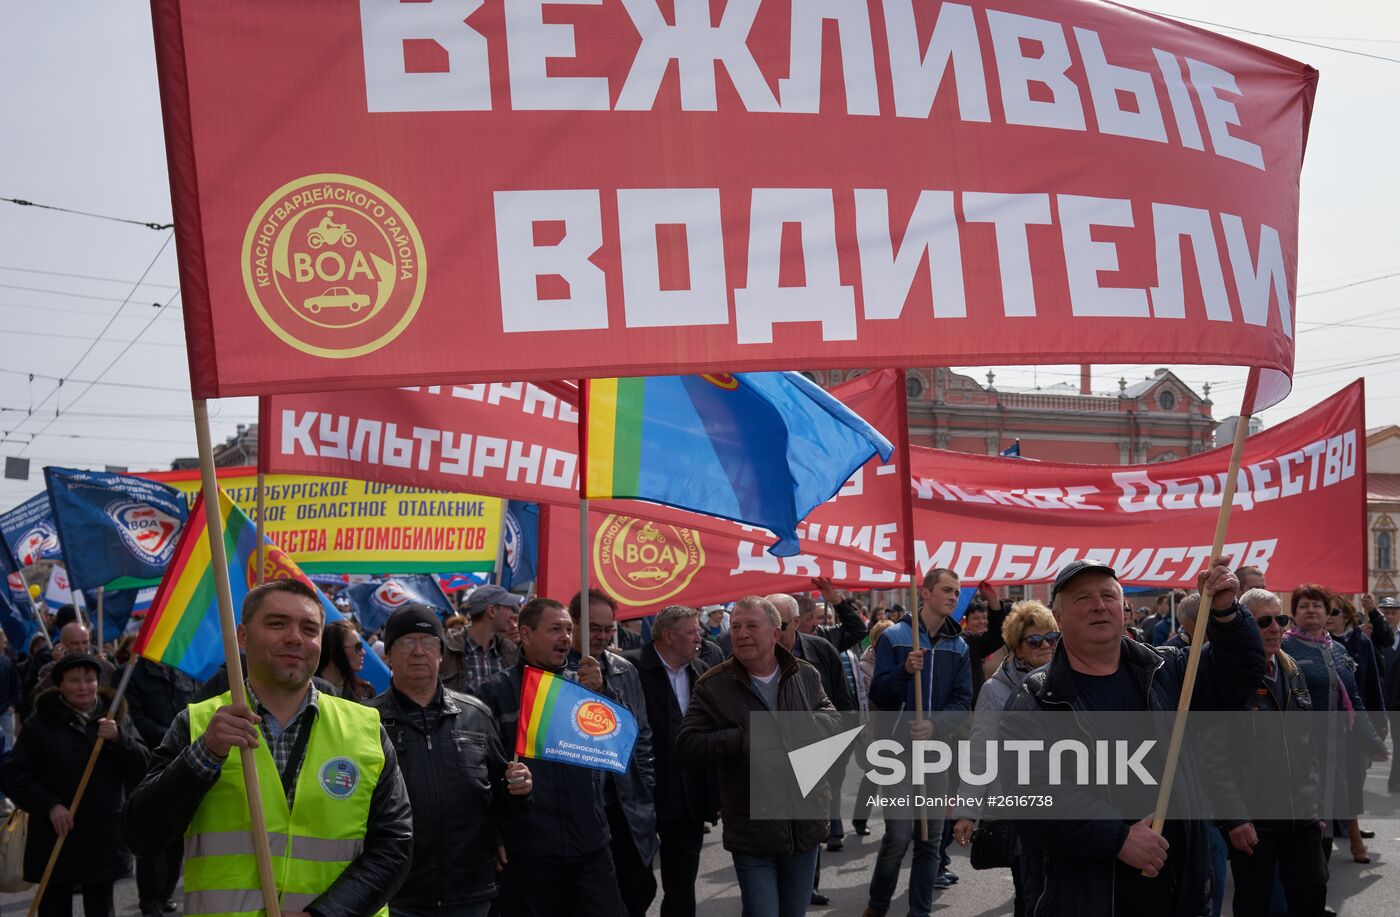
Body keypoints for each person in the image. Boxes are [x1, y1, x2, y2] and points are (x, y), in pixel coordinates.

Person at [124, 578, 414, 916]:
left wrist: (326, 913)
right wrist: (202, 757)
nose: (294, 637)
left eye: (309, 628)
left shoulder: (366, 728)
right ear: (243, 637)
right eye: (277, 624)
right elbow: (141, 836)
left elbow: (395, 845)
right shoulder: (198, 725)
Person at [1007, 557, 1265, 917]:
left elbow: (1240, 673)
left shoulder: (1169, 669)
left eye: (1109, 596)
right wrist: (1118, 838)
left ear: (1124, 610)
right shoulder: (1038, 696)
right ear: (1059, 618)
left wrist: (1226, 613)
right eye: (1082, 598)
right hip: (1090, 900)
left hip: (1180, 895)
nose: (1099, 605)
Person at [366, 605, 532, 917]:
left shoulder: (476, 714)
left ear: (441, 654)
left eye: (428, 642)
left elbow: (502, 798)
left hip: (470, 893)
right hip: (394, 895)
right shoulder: (365, 721)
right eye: (406, 642)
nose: (418, 652)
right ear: (388, 655)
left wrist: (518, 788)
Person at [677, 596, 838, 917]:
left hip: (803, 826)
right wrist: (743, 737)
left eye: (752, 625)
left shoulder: (804, 674)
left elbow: (832, 720)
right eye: (736, 626)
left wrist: (796, 728)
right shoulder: (713, 685)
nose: (742, 633)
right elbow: (688, 745)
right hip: (753, 829)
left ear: (776, 633)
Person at [476, 598, 627, 917]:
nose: (565, 638)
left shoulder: (584, 685)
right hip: (528, 851)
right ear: (526, 635)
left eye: (569, 630)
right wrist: (495, 835)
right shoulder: (494, 692)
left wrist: (603, 696)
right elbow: (481, 774)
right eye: (555, 629)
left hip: (588, 844)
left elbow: (617, 748)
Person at [1205, 588, 1327, 917]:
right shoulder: (1226, 678)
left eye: (1281, 619)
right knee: (1256, 902)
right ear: (1245, 627)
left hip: (1301, 814)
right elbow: (1213, 757)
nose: (1276, 628)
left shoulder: (1293, 671)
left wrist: (1316, 804)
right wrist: (1235, 818)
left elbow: (1308, 744)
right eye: (1264, 621)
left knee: (1312, 893)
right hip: (1254, 821)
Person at [2, 653, 150, 917]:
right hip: (55, 834)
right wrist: (49, 805)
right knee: (54, 906)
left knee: (101, 908)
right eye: (74, 680)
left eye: (89, 679)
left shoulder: (115, 718)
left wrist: (120, 738)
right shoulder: (40, 724)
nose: (83, 686)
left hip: (101, 835)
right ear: (60, 685)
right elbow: (14, 775)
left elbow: (142, 765)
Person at [863, 568, 973, 917]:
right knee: (898, 835)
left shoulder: (959, 646)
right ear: (924, 593)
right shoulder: (895, 638)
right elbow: (878, 692)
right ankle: (877, 906)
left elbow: (962, 701)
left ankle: (919, 912)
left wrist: (935, 725)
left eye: (957, 592)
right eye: (946, 590)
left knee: (929, 838)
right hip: (898, 751)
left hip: (937, 753)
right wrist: (903, 671)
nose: (954, 597)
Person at [952, 600, 1059, 917]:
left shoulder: (1068, 679)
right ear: (1017, 647)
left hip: (1065, 803)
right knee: (1029, 893)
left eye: (1052, 637)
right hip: (1019, 808)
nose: (1046, 646)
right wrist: (967, 811)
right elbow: (980, 749)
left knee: (1059, 891)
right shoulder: (995, 691)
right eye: (1035, 640)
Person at [1282, 585, 1388, 865]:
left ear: (1327, 612)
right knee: (1304, 827)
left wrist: (1373, 741)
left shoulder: (1339, 650)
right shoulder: (1283, 647)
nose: (1311, 610)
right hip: (1299, 752)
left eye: (1317, 605)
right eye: (1304, 606)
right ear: (1294, 613)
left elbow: (1354, 699)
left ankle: (1317, 895)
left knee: (1326, 826)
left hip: (1335, 753)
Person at [625, 605, 719, 917]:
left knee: (681, 886)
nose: (699, 636)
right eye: (692, 631)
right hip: (639, 793)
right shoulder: (629, 667)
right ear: (668, 635)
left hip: (686, 795)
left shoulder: (701, 671)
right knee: (636, 885)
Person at [567, 590, 658, 917]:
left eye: (608, 628)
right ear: (573, 622)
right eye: (594, 628)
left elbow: (639, 732)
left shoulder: (623, 670)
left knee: (638, 891)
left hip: (624, 805)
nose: (603, 636)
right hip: (576, 811)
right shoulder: (553, 670)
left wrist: (646, 790)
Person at [768, 592, 852, 905]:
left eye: (781, 625)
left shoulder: (820, 650)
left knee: (810, 818)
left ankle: (807, 885)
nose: (774, 634)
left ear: (797, 624)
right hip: (771, 757)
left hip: (820, 749)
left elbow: (842, 702)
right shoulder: (751, 657)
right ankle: (775, 882)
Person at [124, 658, 198, 917]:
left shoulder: (186, 670)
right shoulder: (134, 674)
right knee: (152, 832)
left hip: (183, 759)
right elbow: (134, 716)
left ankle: (166, 892)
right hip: (151, 759)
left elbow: (195, 708)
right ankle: (150, 900)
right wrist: (170, 735)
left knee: (178, 832)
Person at [1324, 593, 1387, 862]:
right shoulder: (1320, 644)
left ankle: (1350, 828)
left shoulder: (1361, 641)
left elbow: (1372, 684)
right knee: (1331, 782)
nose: (1328, 617)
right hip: (1328, 727)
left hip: (1356, 724)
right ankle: (1351, 837)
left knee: (1354, 778)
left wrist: (1379, 725)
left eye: (1334, 612)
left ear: (1347, 616)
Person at [441, 585, 521, 695]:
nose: (510, 614)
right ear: (491, 611)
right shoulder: (447, 651)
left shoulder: (510, 651)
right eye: (507, 607)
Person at [33, 622, 116, 692]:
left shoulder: (105, 667)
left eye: (85, 642)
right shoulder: (49, 669)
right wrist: (59, 666)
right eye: (75, 643)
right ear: (62, 645)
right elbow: (40, 695)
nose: (81, 648)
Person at [796, 578, 867, 651]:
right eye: (809, 618)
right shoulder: (785, 644)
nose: (814, 624)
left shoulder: (824, 636)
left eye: (830, 617)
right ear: (795, 621)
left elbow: (857, 630)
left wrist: (837, 602)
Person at [316, 619, 375, 701]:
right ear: (333, 650)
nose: (363, 653)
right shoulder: (306, 690)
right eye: (357, 647)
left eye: (361, 646)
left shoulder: (365, 692)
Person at [1380, 596, 1400, 792]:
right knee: (1369, 744)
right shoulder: (1372, 638)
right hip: (1376, 700)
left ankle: (1395, 782)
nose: (1389, 616)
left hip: (1397, 702)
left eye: (1393, 612)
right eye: (1386, 612)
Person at [0, 630, 20, 751]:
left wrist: (13, 705)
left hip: (4, 712)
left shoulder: (7, 662)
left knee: (6, 748)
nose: (4, 643)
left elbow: (16, 685)